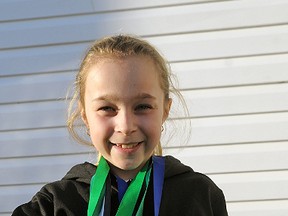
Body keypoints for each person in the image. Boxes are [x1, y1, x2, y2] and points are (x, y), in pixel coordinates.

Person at [12, 35, 228, 216]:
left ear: (165, 110)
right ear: (85, 115)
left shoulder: (200, 195)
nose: (125, 126)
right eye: (107, 108)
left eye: (143, 106)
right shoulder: (54, 204)